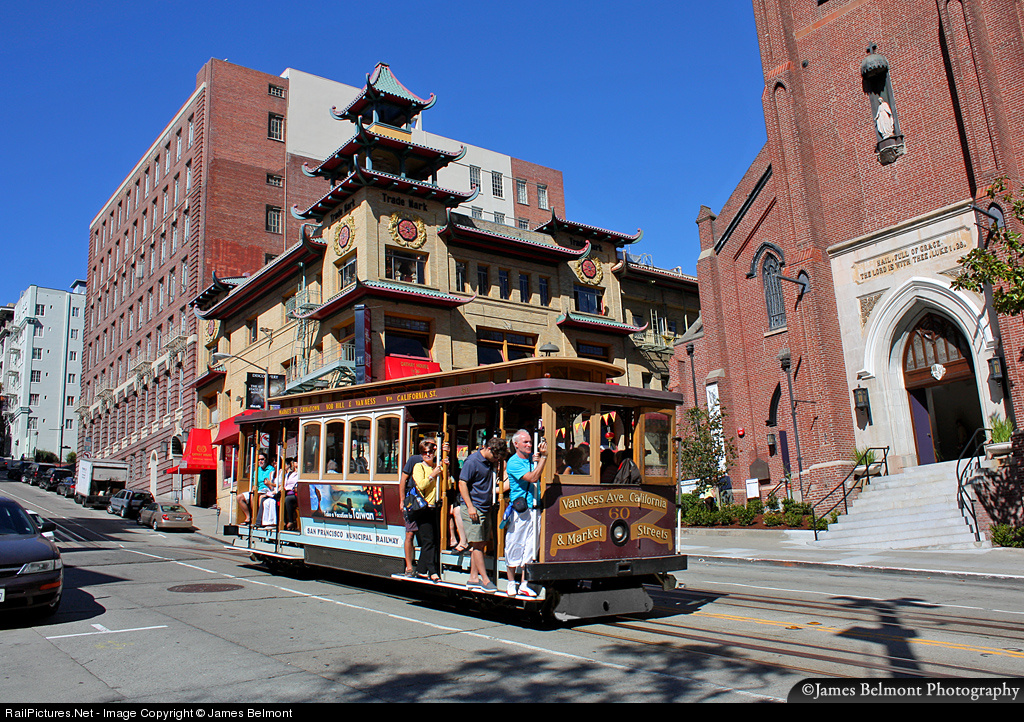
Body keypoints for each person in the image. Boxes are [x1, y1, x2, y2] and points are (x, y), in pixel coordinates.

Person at [458, 436, 508, 593]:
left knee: (481, 543)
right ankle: (485, 580)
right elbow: (462, 483)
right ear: (488, 449)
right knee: (477, 544)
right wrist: (470, 507)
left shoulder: (490, 462)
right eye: (495, 456)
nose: (496, 459)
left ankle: (473, 578)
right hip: (474, 507)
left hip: (485, 507)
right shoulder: (472, 461)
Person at [504, 430, 546, 598]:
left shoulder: (531, 460)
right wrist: (544, 458)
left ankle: (524, 584)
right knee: (515, 544)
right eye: (525, 442)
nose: (529, 445)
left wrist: (539, 460)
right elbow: (533, 478)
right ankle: (510, 582)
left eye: (530, 442)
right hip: (520, 510)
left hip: (535, 509)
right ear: (516, 444)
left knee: (530, 547)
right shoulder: (514, 462)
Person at [411, 441, 447, 582]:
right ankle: (432, 572)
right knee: (428, 540)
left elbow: (447, 485)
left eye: (430, 452)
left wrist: (446, 469)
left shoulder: (438, 467)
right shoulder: (418, 467)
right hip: (423, 509)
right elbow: (421, 485)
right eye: (424, 452)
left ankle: (421, 570)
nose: (427, 455)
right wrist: (433, 474)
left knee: (433, 540)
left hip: (436, 508)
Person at [281, 457, 299, 530]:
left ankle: (291, 521)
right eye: (296, 462)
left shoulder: (301, 474)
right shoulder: (289, 474)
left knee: (288, 499)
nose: (297, 463)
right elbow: (285, 484)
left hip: (295, 493)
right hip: (287, 491)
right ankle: (282, 521)